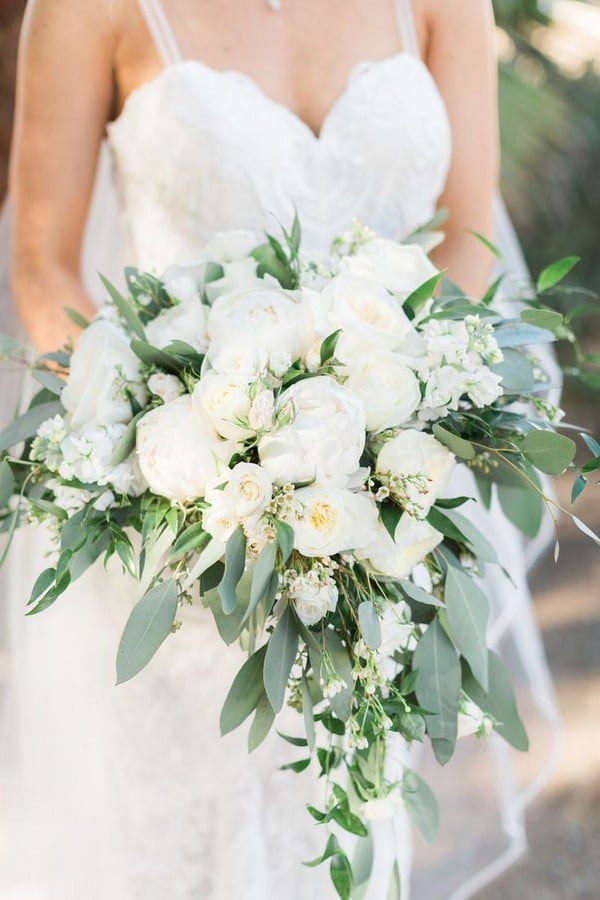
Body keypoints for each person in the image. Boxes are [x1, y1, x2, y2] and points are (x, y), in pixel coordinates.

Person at [0, 1, 561, 897]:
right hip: (176, 526)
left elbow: (466, 241)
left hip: (366, 527)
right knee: (175, 849)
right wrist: (172, 449)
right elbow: (43, 267)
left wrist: (393, 441)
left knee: (336, 830)